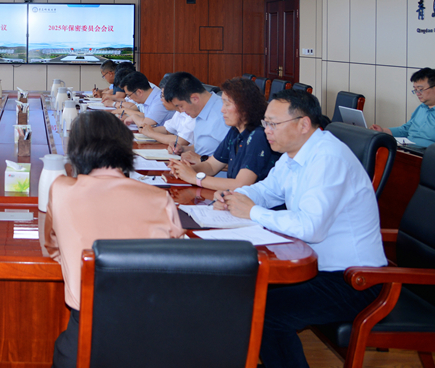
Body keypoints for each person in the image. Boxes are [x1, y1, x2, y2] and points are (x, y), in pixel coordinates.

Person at [216, 89, 385, 368]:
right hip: (316, 268)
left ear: (304, 124)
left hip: (354, 280)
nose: (267, 130)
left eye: (273, 123)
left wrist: (252, 211)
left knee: (266, 312)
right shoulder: (295, 153)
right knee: (241, 292)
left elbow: (310, 228)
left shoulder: (329, 159)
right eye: (265, 123)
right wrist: (235, 197)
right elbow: (267, 190)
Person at [42, 111, 184, 368]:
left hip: (84, 340)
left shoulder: (61, 190)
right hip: (152, 339)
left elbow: (52, 247)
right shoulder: (158, 198)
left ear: (75, 151)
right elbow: (178, 261)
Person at [169, 77, 279, 190]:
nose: (222, 110)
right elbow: (211, 166)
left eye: (227, 104)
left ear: (245, 106)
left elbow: (240, 185)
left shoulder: (259, 136)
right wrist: (185, 170)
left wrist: (194, 178)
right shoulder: (235, 131)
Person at [162, 72, 229, 159]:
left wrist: (201, 160)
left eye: (181, 106)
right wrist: (182, 149)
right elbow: (204, 147)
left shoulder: (224, 115)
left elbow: (235, 160)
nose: (181, 111)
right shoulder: (200, 111)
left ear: (195, 98)